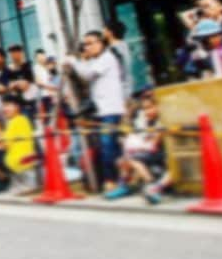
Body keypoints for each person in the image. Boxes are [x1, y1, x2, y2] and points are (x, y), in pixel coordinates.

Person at [66, 32, 127, 190]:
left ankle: (111, 180)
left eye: (91, 43)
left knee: (108, 145)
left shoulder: (107, 58)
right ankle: (120, 179)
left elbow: (87, 75)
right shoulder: (97, 60)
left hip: (110, 110)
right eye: (85, 44)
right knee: (110, 146)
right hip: (103, 110)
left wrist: (73, 61)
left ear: (101, 43)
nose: (88, 47)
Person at [105, 96, 169, 204]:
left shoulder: (161, 122)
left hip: (159, 153)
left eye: (150, 108)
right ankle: (124, 186)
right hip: (148, 152)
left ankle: (151, 185)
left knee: (131, 159)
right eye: (145, 109)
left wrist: (138, 145)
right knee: (121, 161)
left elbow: (153, 146)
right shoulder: (145, 122)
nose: (147, 111)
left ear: (158, 107)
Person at [1, 95, 36, 192]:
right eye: (3, 106)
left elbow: (5, 145)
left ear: (17, 107)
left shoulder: (15, 122)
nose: (4, 109)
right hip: (24, 165)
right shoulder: (23, 120)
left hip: (20, 167)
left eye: (7, 105)